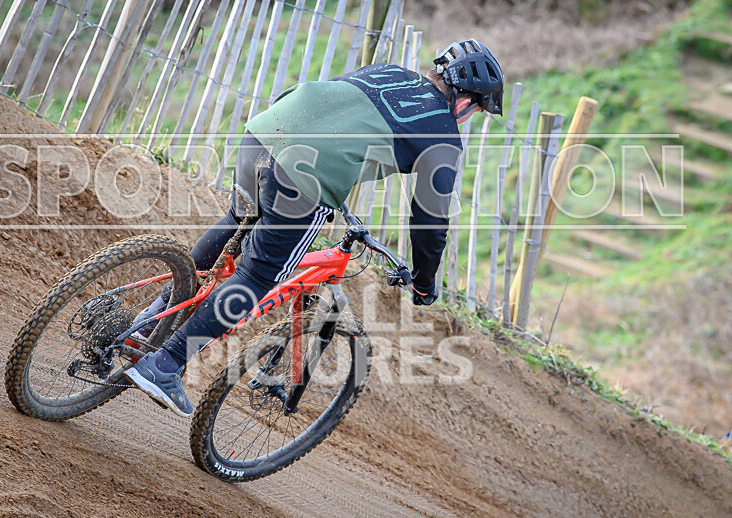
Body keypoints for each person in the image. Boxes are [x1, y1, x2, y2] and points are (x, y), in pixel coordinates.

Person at [124, 40, 505, 417]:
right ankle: (165, 364)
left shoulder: (391, 72)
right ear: (465, 100)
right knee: (258, 276)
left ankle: (144, 326)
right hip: (302, 178)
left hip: (264, 132)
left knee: (238, 220)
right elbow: (430, 221)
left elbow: (338, 118)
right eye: (476, 110)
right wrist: (424, 281)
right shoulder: (443, 136)